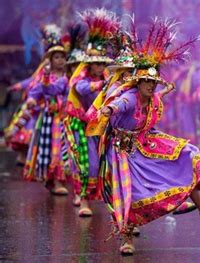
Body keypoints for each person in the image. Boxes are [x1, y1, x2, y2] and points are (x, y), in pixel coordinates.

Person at [88, 18, 200, 255]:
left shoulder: (151, 98)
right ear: (137, 82)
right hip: (122, 152)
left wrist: (163, 92)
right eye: (148, 83)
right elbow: (119, 105)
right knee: (127, 194)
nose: (152, 86)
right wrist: (109, 110)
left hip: (143, 142)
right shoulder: (128, 97)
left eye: (154, 82)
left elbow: (149, 106)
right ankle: (126, 239)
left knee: (186, 153)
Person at [65, 8, 120, 216]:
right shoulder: (83, 80)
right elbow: (82, 89)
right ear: (89, 65)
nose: (100, 66)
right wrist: (103, 85)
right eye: (97, 63)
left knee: (110, 166)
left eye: (102, 63)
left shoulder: (105, 78)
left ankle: (120, 209)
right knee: (88, 165)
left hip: (102, 128)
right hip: (82, 128)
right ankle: (85, 202)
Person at [23, 24, 69, 194]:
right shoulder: (45, 77)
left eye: (62, 57)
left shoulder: (68, 77)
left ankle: (59, 180)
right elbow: (35, 91)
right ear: (50, 60)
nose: (60, 60)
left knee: (62, 149)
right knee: (50, 149)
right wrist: (31, 100)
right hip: (50, 118)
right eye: (56, 57)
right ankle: (54, 180)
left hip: (63, 118)